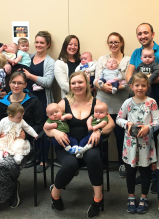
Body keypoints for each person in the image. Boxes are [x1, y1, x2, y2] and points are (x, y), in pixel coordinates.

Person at [46, 71, 115, 218]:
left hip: (89, 144)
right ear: (70, 86)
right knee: (71, 164)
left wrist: (99, 131)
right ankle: (55, 194)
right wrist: (55, 133)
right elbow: (47, 126)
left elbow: (111, 124)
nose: (77, 86)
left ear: (87, 84)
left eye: (80, 82)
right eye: (73, 83)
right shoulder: (63, 103)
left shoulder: (97, 103)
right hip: (67, 144)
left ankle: (98, 199)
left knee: (94, 158)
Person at [0, 71, 44, 208]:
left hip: (22, 143)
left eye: (19, 83)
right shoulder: (2, 102)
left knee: (8, 163)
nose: (16, 85)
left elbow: (40, 125)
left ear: (25, 85)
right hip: (4, 141)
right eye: (13, 82)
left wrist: (25, 135)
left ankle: (11, 191)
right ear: (9, 84)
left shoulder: (33, 101)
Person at [116, 72, 159, 214]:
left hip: (146, 144)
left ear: (147, 86)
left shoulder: (152, 102)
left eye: (143, 85)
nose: (140, 88)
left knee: (145, 171)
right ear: (131, 86)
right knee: (130, 172)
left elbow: (157, 122)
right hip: (130, 144)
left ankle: (144, 197)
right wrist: (127, 123)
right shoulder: (127, 103)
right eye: (137, 85)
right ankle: (130, 197)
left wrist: (148, 127)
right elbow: (118, 118)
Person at [95, 32, 131, 178]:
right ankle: (101, 163)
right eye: (111, 42)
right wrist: (103, 87)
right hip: (102, 102)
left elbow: (130, 80)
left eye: (116, 42)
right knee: (101, 133)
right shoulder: (102, 59)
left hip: (121, 103)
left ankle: (123, 162)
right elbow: (96, 80)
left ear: (121, 43)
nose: (113, 44)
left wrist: (117, 88)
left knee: (120, 135)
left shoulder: (128, 60)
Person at [22, 31, 55, 172]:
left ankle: (44, 160)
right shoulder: (27, 57)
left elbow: (48, 82)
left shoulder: (50, 61)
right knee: (30, 129)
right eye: (36, 42)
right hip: (27, 101)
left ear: (48, 44)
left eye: (42, 42)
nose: (38, 45)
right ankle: (34, 157)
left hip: (42, 101)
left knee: (44, 130)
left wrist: (30, 76)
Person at [125, 23, 159, 105]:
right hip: (136, 96)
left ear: (153, 34)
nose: (142, 36)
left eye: (146, 33)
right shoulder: (136, 52)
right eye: (139, 34)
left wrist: (138, 82)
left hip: (155, 96)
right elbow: (128, 76)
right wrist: (139, 84)